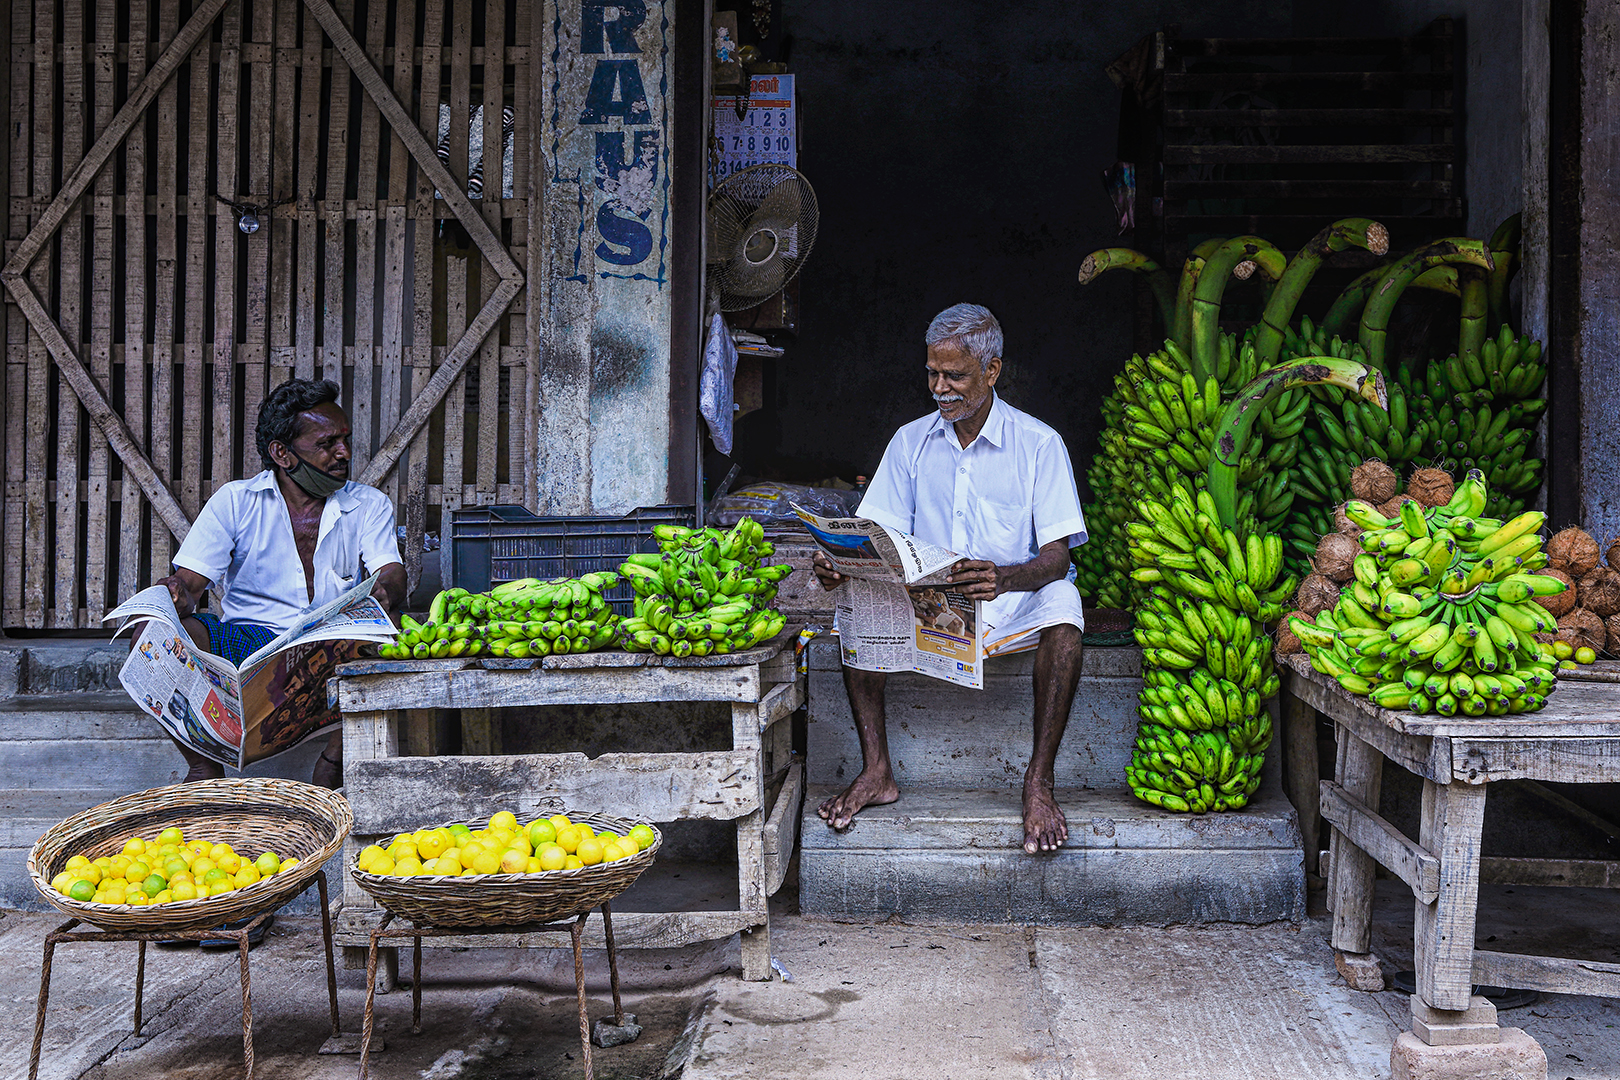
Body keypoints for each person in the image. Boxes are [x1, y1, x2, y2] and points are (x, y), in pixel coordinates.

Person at [813, 303, 1088, 855]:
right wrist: (841, 565)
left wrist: (1006, 576)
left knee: (1065, 603)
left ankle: (1038, 781)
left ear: (992, 371)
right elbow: (876, 533)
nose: (940, 388)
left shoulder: (1039, 444)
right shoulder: (910, 442)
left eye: (955, 375)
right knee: (857, 605)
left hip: (1009, 601)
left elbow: (1056, 557)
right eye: (932, 373)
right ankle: (877, 770)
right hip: (929, 609)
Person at [147, 377, 407, 786]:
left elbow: (390, 570)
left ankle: (333, 763)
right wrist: (174, 594)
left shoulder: (368, 504)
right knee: (151, 637)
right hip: (249, 646)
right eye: (326, 444)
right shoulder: (236, 501)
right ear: (282, 454)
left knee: (389, 639)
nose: (344, 453)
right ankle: (202, 765)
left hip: (328, 648)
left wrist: (385, 589)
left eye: (345, 439)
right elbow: (190, 585)